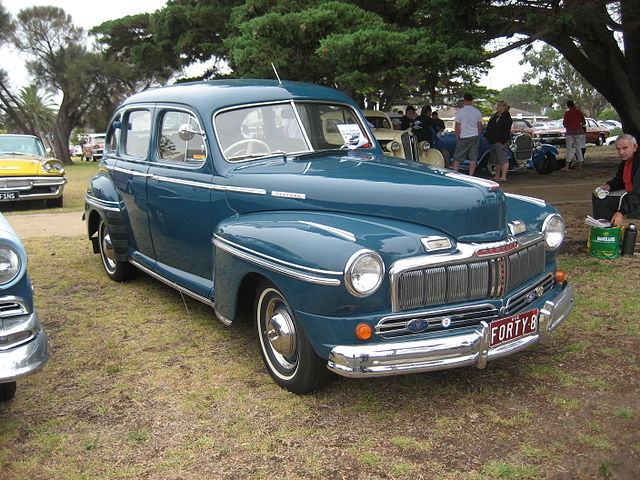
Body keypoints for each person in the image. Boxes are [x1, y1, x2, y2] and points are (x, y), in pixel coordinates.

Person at [591, 134, 640, 227]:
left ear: (634, 147)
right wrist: (609, 186)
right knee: (598, 196)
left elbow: (637, 192)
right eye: (618, 149)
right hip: (630, 194)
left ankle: (609, 231)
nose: (621, 152)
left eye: (625, 148)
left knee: (605, 203)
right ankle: (602, 227)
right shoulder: (626, 160)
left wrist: (621, 212)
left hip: (635, 197)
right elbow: (620, 180)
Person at [452, 93, 483, 176]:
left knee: (457, 157)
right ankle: (471, 175)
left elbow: (457, 126)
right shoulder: (477, 111)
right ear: (472, 101)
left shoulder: (460, 112)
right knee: (473, 157)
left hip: (464, 136)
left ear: (464, 100)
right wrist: (478, 134)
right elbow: (479, 126)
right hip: (474, 136)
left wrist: (458, 135)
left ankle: (455, 174)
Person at [485, 100, 513, 182]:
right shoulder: (495, 116)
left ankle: (503, 176)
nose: (497, 107)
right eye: (497, 106)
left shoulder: (506, 117)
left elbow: (505, 129)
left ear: (504, 107)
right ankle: (497, 175)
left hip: (501, 141)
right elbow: (490, 127)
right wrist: (487, 136)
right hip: (493, 141)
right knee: (496, 160)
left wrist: (501, 140)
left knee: (502, 159)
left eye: (499, 106)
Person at [560, 100, 586, 171]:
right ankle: (580, 166)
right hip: (578, 132)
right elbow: (584, 122)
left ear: (568, 106)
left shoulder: (567, 113)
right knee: (578, 148)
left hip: (570, 133)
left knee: (569, 149)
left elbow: (565, 123)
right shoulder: (579, 112)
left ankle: (567, 166)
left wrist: (569, 126)